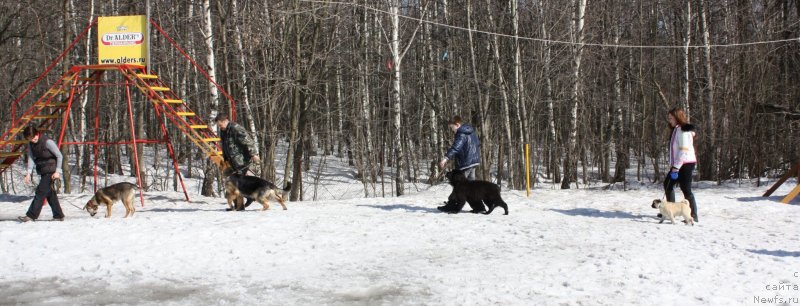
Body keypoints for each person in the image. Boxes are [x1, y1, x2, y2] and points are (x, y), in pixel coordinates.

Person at [18, 125, 65, 222]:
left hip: (51, 171)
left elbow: (59, 156)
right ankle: (58, 215)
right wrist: (28, 173)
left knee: (40, 192)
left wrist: (57, 171)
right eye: (29, 139)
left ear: (37, 134)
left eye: (33, 137)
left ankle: (31, 215)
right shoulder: (31, 144)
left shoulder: (48, 142)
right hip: (43, 171)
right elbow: (31, 158)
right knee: (50, 194)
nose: (32, 140)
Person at [663, 107, 699, 222]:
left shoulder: (682, 131)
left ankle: (693, 215)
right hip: (679, 164)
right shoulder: (677, 129)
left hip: (686, 163)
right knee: (668, 185)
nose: (669, 120)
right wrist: (673, 165)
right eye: (669, 118)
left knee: (686, 189)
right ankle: (670, 211)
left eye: (671, 118)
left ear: (677, 118)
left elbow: (683, 151)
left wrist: (676, 168)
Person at [439, 115, 481, 181]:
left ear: (457, 125)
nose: (452, 130)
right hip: (474, 161)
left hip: (466, 163)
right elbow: (478, 143)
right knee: (470, 185)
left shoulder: (461, 133)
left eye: (452, 127)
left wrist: (446, 158)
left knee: (461, 185)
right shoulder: (471, 131)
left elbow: (456, 147)